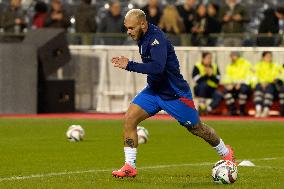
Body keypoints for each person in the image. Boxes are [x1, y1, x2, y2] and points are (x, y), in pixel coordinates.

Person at [111, 9, 236, 178]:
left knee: (197, 128)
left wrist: (129, 65)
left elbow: (157, 68)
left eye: (132, 28)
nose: (129, 32)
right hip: (154, 91)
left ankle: (225, 152)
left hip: (175, 95)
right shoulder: (142, 36)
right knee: (129, 119)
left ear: (143, 24)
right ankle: (129, 166)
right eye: (127, 28)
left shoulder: (157, 38)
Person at [222, 52, 252, 116]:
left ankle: (242, 110)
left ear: (237, 56)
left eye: (233, 56)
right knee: (225, 91)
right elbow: (226, 77)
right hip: (234, 86)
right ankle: (233, 110)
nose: (231, 58)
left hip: (245, 85)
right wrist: (229, 84)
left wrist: (240, 83)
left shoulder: (246, 64)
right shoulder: (230, 66)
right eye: (231, 56)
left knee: (243, 89)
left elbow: (250, 76)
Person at [253, 51, 282, 117]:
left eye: (270, 56)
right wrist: (261, 82)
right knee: (258, 87)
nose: (269, 58)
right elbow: (254, 76)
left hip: (272, 85)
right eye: (267, 56)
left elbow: (280, 75)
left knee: (270, 87)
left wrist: (270, 81)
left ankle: (266, 110)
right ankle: (258, 109)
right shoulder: (258, 65)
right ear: (263, 57)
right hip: (260, 84)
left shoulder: (275, 66)